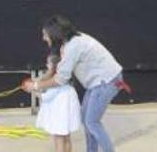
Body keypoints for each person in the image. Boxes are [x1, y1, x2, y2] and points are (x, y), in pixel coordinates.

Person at [24, 15, 126, 152]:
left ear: (54, 34)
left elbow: (60, 79)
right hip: (99, 83)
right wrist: (40, 80)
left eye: (45, 34)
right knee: (87, 120)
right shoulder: (71, 42)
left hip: (107, 82)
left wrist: (35, 86)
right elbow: (57, 70)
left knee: (92, 122)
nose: (44, 38)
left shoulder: (73, 46)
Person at [33, 42, 81, 152]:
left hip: (60, 115)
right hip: (66, 114)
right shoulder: (66, 81)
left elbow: (45, 97)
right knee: (67, 137)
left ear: (54, 67)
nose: (46, 66)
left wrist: (33, 91)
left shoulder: (55, 82)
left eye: (48, 64)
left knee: (59, 139)